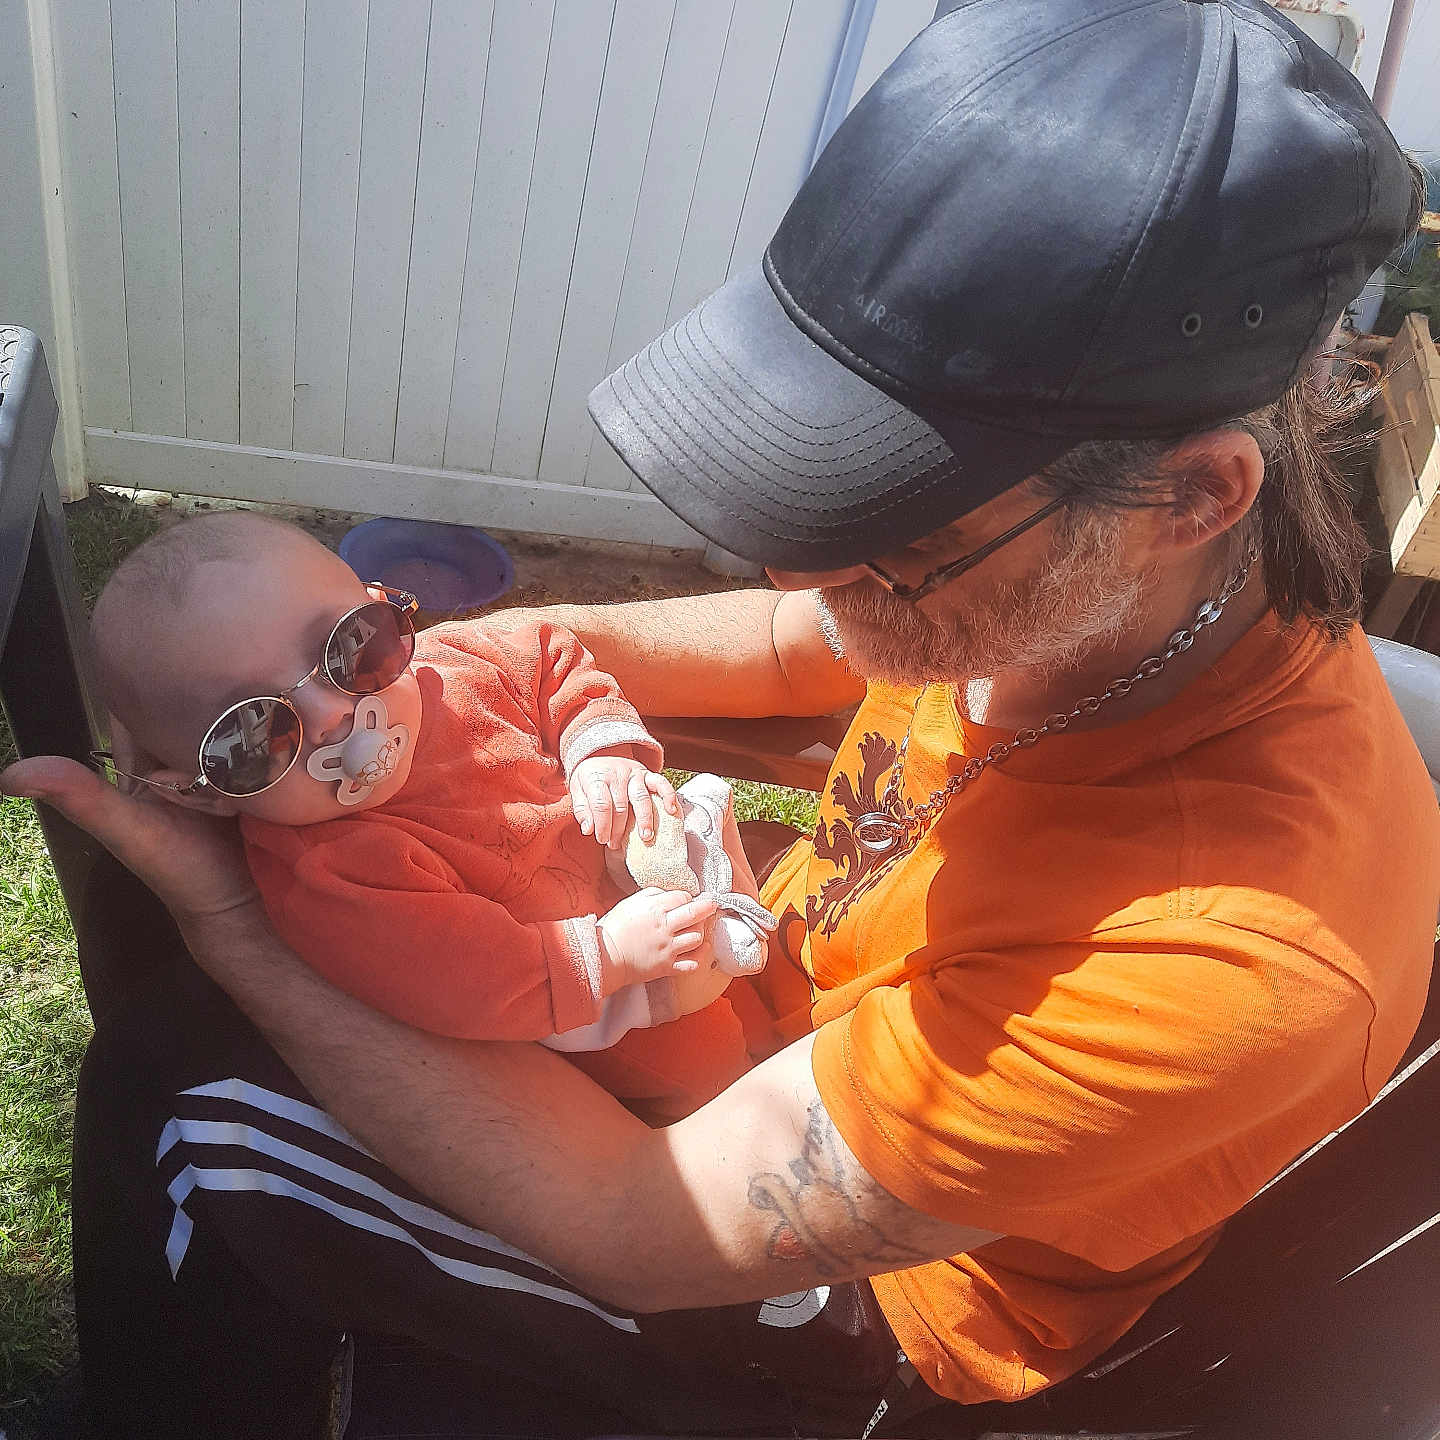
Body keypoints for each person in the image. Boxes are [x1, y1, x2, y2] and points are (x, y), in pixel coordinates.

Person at [4, 2, 1438, 1435]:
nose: (805, 570)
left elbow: (630, 1217)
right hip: (752, 1004)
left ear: (1190, 497)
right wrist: (464, 668)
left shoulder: (1226, 961)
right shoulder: (1076, 595)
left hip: (862, 1314)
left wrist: (236, 921)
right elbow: (782, 643)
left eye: (881, 530)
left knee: (184, 1094)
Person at [86, 509, 769, 1123]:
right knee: (721, 1084)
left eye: (351, 647)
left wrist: (601, 753)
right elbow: (465, 977)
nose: (333, 717)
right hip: (612, 1006)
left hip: (651, 874)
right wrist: (614, 955)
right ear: (200, 792)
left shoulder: (456, 666)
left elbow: (552, 659)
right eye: (252, 736)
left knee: (764, 997)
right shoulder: (332, 873)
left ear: (385, 607)